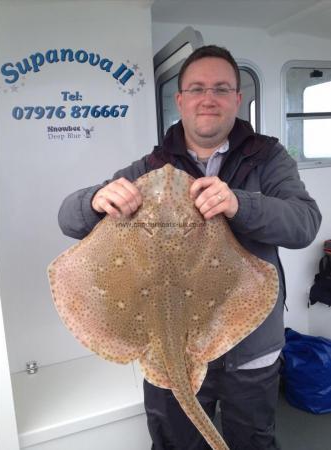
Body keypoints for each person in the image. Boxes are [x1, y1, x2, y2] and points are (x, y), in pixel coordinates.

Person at [58, 45, 322, 450]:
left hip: (248, 345)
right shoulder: (150, 168)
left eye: (221, 88)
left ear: (238, 98)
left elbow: (304, 224)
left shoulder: (267, 158)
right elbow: (68, 220)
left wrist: (239, 203)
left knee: (253, 442)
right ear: (180, 99)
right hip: (166, 350)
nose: (208, 98)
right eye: (197, 88)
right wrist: (94, 199)